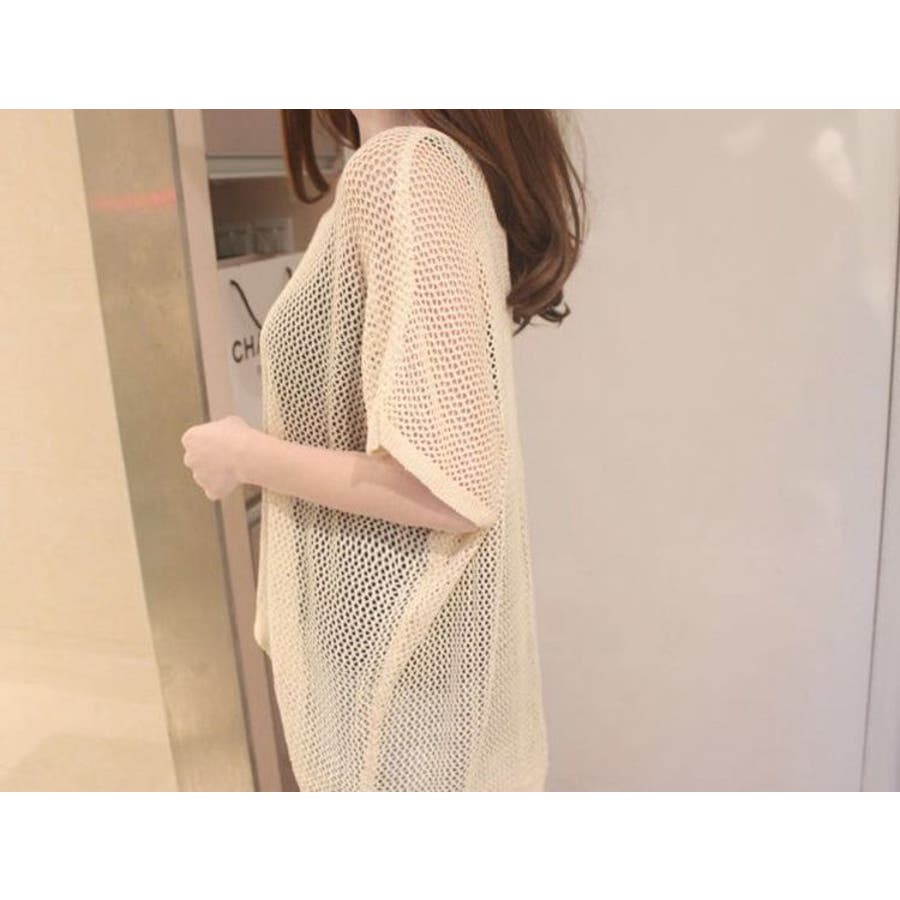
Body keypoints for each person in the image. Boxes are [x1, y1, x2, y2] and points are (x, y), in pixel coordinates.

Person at [181, 109, 587, 791]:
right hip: (412, 689)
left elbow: (451, 487)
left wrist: (243, 455)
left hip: (396, 699)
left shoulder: (403, 168)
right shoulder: (424, 167)